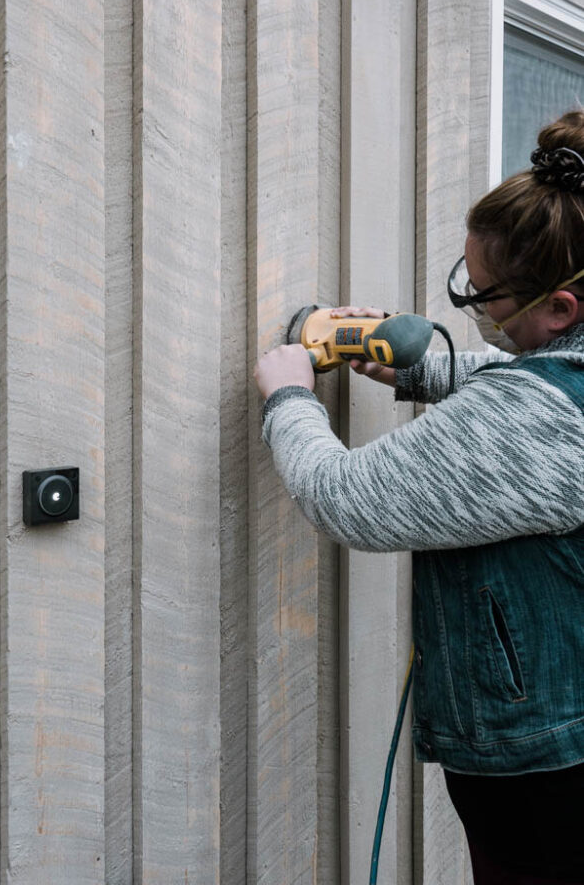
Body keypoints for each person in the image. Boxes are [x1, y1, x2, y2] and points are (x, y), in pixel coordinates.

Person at [254, 110, 584, 885]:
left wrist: (287, 396)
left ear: (560, 309)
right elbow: (526, 390)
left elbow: (345, 498)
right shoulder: (555, 384)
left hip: (548, 768)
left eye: (485, 295)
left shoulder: (538, 416)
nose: (473, 304)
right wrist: (412, 371)